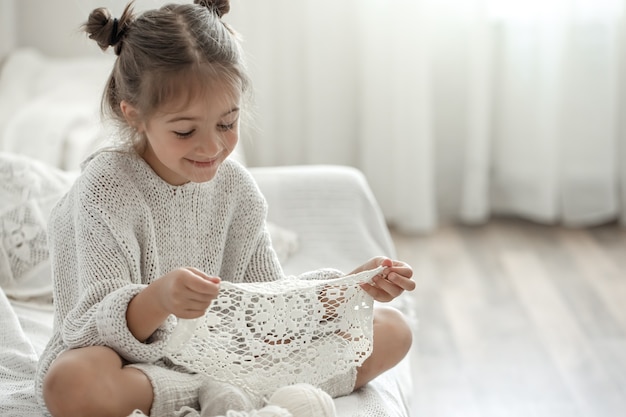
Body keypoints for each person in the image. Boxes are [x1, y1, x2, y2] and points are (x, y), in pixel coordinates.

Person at [35, 1, 415, 416]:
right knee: (72, 382)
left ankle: (226, 390)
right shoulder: (104, 188)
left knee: (391, 329)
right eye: (185, 131)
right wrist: (158, 299)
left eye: (226, 123)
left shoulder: (236, 188)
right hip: (135, 363)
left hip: (227, 354)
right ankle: (224, 392)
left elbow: (268, 303)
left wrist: (343, 292)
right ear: (135, 116)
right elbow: (89, 327)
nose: (212, 147)